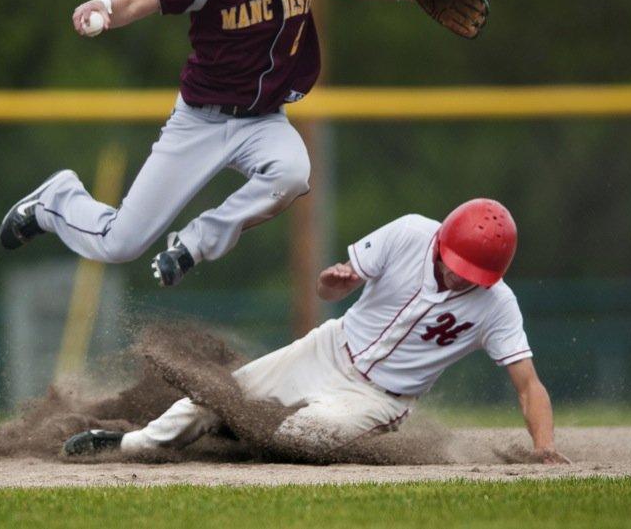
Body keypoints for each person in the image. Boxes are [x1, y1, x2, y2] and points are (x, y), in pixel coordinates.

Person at [0, 0, 437, 287]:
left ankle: (193, 245)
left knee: (292, 173)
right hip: (201, 121)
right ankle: (56, 201)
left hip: (264, 119)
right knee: (120, 244)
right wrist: (106, 7)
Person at [63, 198, 571, 464]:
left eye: (473, 273)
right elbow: (328, 291)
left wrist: (544, 447)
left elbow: (528, 385)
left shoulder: (497, 305)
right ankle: (129, 445)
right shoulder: (409, 233)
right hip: (329, 348)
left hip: (380, 399)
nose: (460, 277)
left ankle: (230, 436)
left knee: (303, 438)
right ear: (442, 241)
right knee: (217, 396)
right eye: (456, 263)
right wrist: (335, 283)